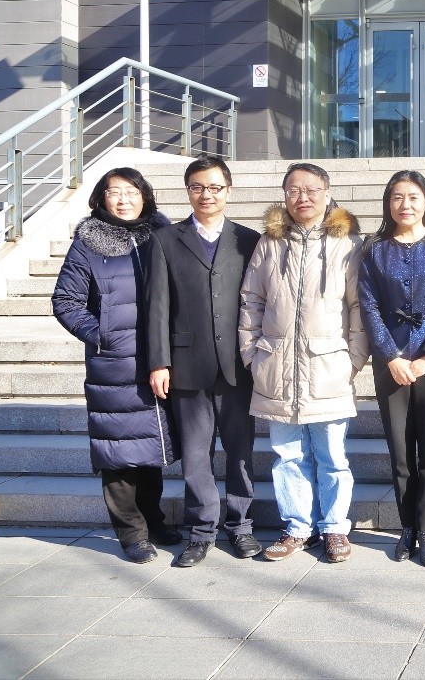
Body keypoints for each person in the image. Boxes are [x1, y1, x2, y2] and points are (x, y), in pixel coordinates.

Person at [239, 163, 367, 564]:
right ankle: (297, 527)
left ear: (327, 192)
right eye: (293, 190)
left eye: (311, 189)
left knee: (332, 457)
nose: (302, 197)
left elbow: (359, 307)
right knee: (288, 456)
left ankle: (334, 528)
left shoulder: (348, 243)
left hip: (328, 368)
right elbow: (251, 301)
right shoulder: (269, 243)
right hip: (276, 368)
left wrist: (353, 360)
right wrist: (252, 354)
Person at [52, 168, 178, 564]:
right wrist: (102, 335)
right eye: (114, 192)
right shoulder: (88, 244)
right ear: (101, 198)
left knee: (151, 447)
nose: (124, 200)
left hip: (160, 359)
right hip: (114, 364)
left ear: (145, 196)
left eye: (131, 191)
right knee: (119, 452)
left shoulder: (163, 236)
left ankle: (153, 520)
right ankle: (131, 534)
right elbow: (66, 301)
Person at [147, 155, 262, 568]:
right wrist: (158, 362)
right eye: (197, 187)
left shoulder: (249, 239)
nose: (206, 195)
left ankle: (241, 526)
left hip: (238, 365)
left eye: (214, 187)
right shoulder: (165, 239)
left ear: (228, 190)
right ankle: (201, 532)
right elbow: (157, 306)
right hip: (186, 365)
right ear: (188, 191)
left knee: (240, 450)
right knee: (196, 455)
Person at [358, 170, 425, 568]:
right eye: (397, 197)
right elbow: (368, 306)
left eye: (414, 197)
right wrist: (391, 356)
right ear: (388, 203)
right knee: (400, 450)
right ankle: (407, 527)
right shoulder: (374, 250)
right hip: (390, 363)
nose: (405, 204)